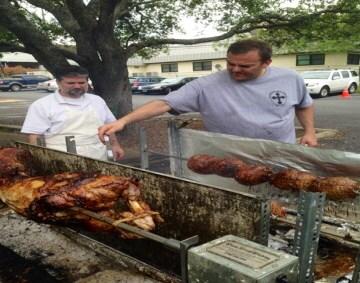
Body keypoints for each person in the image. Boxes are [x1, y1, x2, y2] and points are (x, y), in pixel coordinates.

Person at [98, 39, 317, 147]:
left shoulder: (290, 78)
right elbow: (164, 103)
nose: (235, 70)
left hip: (279, 150)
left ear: (266, 63)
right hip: (230, 155)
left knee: (281, 200)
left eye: (245, 66)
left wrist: (309, 131)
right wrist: (123, 121)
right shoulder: (207, 85)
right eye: (230, 64)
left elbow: (303, 104)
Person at [21, 66, 124, 161]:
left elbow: (109, 127)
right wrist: (39, 158)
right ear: (58, 82)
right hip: (60, 157)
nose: (77, 86)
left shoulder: (97, 100)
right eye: (71, 83)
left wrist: (115, 145)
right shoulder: (42, 105)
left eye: (81, 83)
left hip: (97, 154)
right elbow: (34, 135)